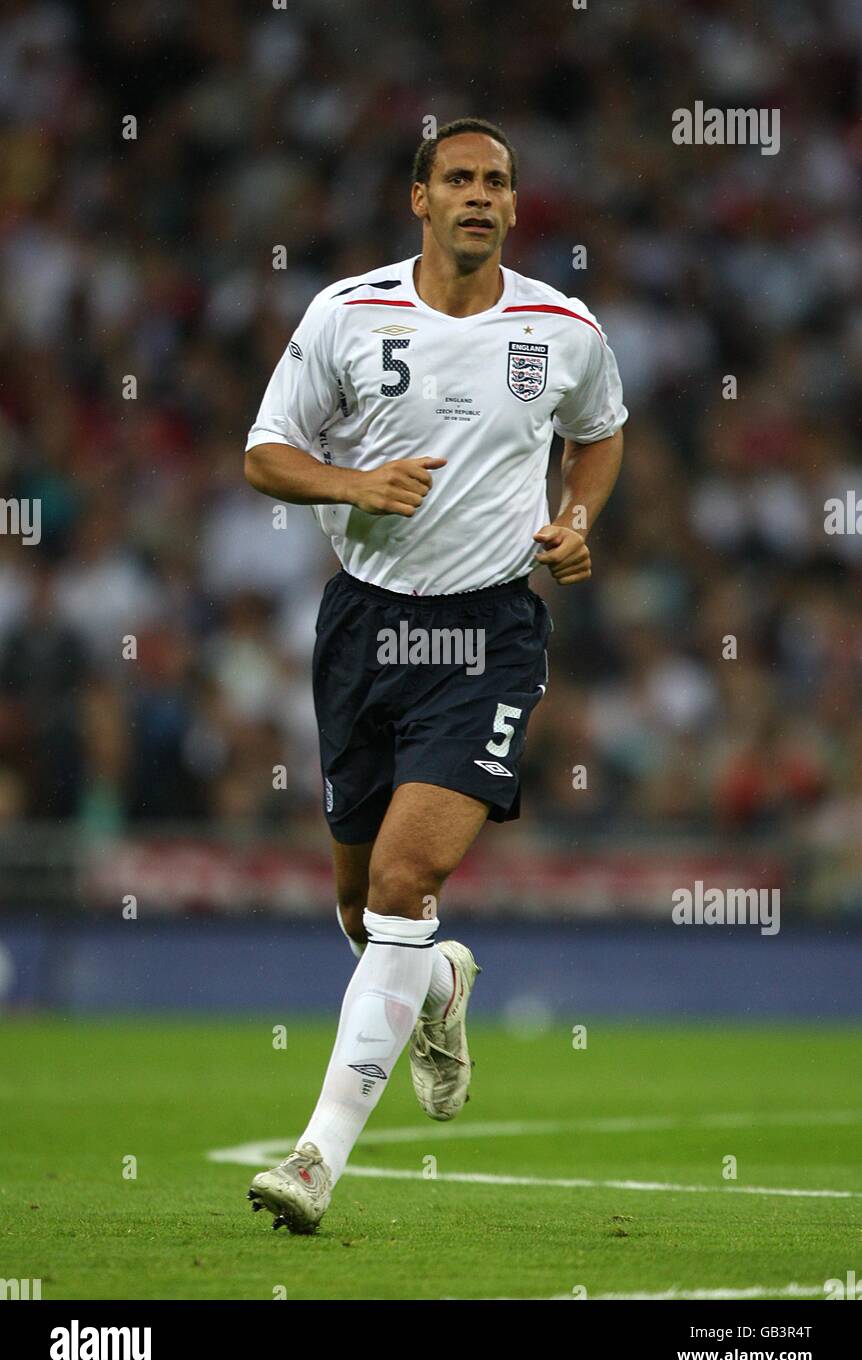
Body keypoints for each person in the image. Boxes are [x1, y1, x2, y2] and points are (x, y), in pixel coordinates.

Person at [243, 118, 627, 1232]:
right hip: (362, 629)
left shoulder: (562, 327)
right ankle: (442, 987)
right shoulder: (346, 312)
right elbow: (265, 451)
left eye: (496, 182)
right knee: (363, 908)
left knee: (408, 882)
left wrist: (576, 517)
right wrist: (349, 485)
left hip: (485, 637)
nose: (477, 195)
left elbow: (598, 435)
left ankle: (315, 1156)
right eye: (456, 178)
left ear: (514, 206)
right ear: (418, 197)